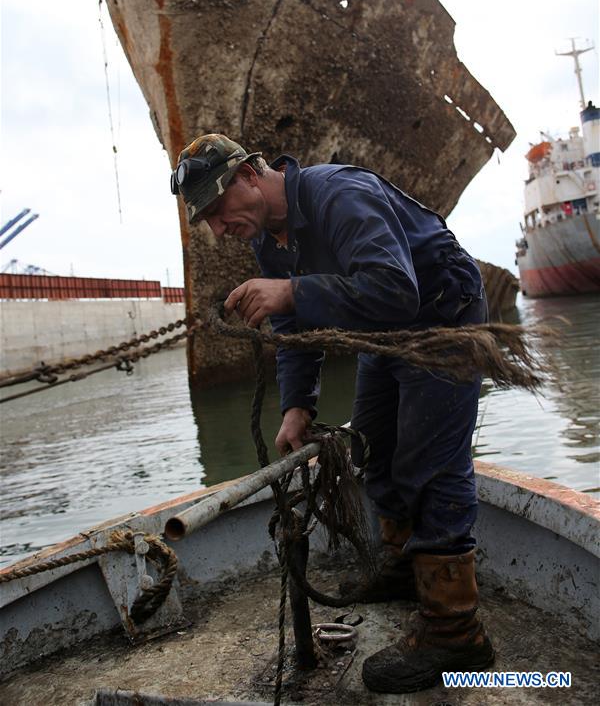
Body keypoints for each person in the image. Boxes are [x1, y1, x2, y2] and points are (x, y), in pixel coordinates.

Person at [171, 132, 495, 693]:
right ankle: (401, 563)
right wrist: (297, 407)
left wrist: (291, 291)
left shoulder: (338, 194)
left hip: (444, 320)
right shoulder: (270, 241)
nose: (220, 227)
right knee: (372, 448)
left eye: (221, 208)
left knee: (429, 463)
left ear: (251, 174)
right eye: (209, 219)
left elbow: (396, 289)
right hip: (385, 336)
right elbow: (296, 331)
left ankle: (454, 629)